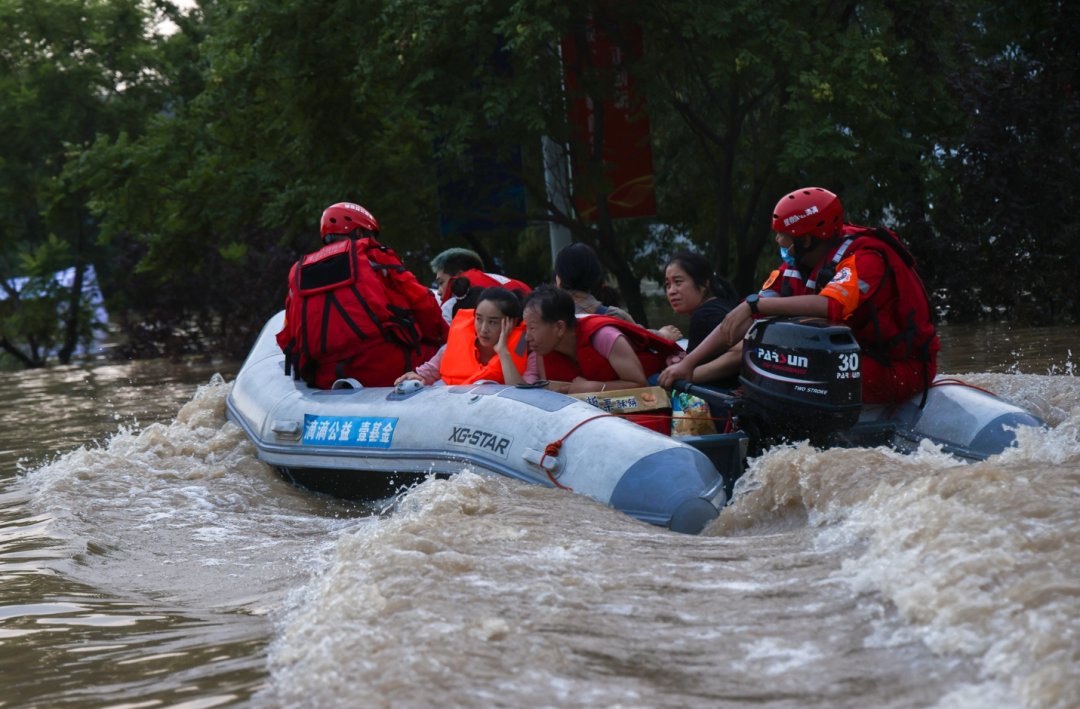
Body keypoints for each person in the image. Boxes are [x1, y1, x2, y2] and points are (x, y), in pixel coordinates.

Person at [660, 188, 939, 405]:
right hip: (851, 360)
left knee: (792, 376)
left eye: (782, 235)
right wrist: (689, 363)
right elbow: (741, 319)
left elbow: (830, 305)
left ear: (806, 240)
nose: (777, 241)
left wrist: (755, 305)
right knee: (769, 363)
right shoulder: (795, 266)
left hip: (902, 367)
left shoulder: (865, 259)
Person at [276, 202, 448, 389]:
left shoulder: (298, 272)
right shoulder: (375, 255)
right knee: (443, 354)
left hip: (323, 375)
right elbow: (424, 304)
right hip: (384, 366)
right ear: (359, 233)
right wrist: (445, 338)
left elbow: (289, 335)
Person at [523, 285, 682, 394]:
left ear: (559, 328)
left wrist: (591, 387)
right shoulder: (543, 352)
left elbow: (640, 384)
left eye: (532, 328)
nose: (527, 337)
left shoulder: (605, 336)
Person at [396, 287, 538, 386]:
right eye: (479, 319)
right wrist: (416, 376)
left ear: (512, 322)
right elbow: (430, 371)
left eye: (492, 322)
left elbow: (523, 397)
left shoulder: (526, 349)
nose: (483, 329)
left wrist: (504, 353)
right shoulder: (459, 342)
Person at [553, 242, 681, 341]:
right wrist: (664, 334)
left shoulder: (544, 318)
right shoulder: (613, 316)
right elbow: (644, 337)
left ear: (559, 281)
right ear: (594, 280)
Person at [662, 252, 741, 389]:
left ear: (705, 283)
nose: (671, 291)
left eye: (678, 282)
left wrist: (687, 374)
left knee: (652, 379)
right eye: (668, 285)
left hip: (723, 402)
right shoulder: (722, 303)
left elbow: (741, 352)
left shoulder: (705, 315)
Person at [430, 248, 531, 324]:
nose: (438, 291)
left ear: (459, 275)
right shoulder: (517, 287)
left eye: (441, 283)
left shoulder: (452, 306)